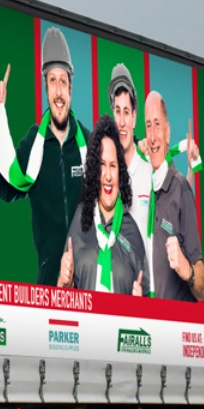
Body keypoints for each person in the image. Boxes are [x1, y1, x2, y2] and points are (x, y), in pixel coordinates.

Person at [0, 26, 86, 285]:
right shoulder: (33, 144)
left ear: (71, 88)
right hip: (49, 280)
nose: (59, 91)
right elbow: (5, 187)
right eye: (53, 81)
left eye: (63, 81)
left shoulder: (90, 143)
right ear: (45, 88)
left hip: (88, 280)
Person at [58, 114, 146, 294]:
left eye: (113, 165)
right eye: (101, 165)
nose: (107, 175)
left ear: (120, 172)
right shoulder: (80, 219)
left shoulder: (133, 233)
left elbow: (149, 312)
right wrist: (63, 283)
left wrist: (140, 308)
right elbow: (61, 299)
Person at [142, 90, 204, 302]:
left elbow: (202, 289)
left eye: (157, 125)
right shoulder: (140, 188)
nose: (153, 136)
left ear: (168, 132)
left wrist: (186, 270)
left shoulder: (180, 189)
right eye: (148, 126)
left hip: (172, 329)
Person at [109, 64, 154, 292]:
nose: (122, 121)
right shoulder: (103, 177)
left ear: (135, 117)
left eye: (126, 112)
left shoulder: (150, 175)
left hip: (146, 299)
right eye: (117, 111)